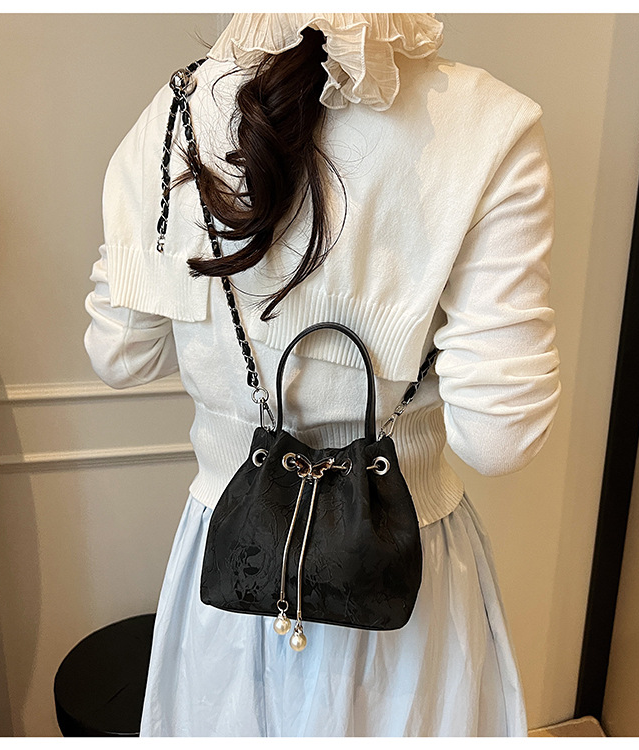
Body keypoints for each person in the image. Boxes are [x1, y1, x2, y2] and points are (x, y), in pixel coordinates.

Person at [84, 13, 561, 737]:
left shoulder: (177, 111)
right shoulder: (490, 124)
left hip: (234, 562)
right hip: (400, 567)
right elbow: (500, 439)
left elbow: (120, 355)